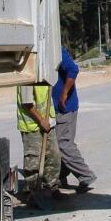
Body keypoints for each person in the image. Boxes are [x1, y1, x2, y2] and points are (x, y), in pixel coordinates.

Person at [53, 46, 97, 193]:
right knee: (57, 144)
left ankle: (85, 175)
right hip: (57, 108)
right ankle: (59, 177)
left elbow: (73, 69)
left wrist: (64, 93)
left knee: (63, 143)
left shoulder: (56, 49)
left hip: (65, 107)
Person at [17, 81, 64, 200]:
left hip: (48, 123)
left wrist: (47, 121)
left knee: (54, 157)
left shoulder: (45, 76)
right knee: (34, 162)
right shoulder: (27, 78)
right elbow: (26, 104)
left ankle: (51, 188)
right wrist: (41, 120)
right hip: (32, 126)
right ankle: (32, 192)